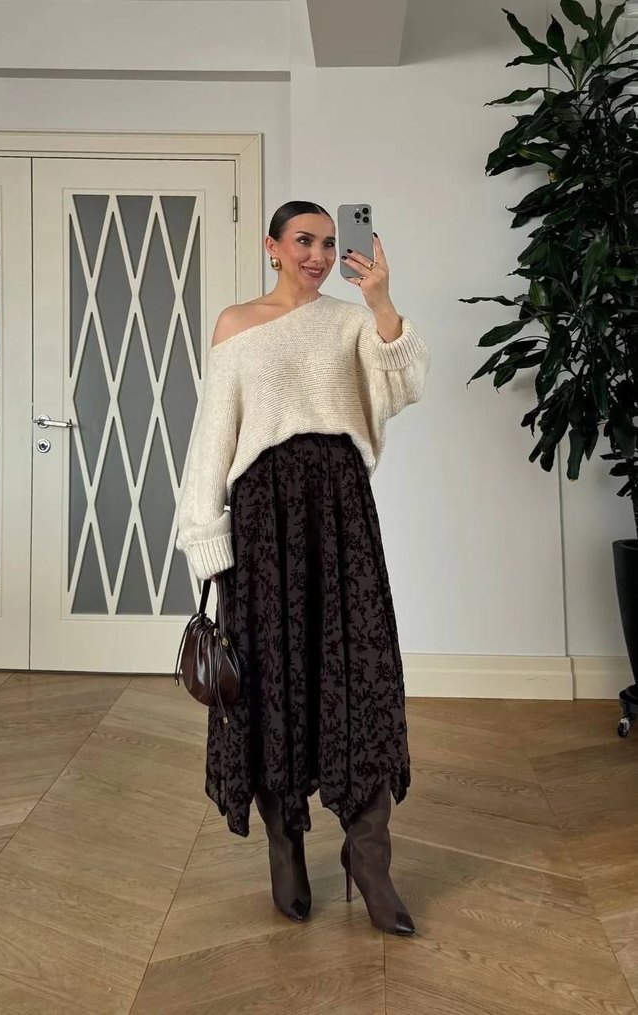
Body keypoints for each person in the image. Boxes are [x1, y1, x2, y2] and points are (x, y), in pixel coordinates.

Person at [176, 200, 430, 935]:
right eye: (303, 241)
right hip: (264, 519)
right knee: (271, 679)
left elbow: (404, 384)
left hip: (343, 513)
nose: (317, 255)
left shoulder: (351, 322)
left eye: (327, 242)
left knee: (361, 673)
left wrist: (379, 299)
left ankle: (369, 859)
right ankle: (284, 845)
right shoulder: (236, 324)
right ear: (273, 246)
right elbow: (213, 434)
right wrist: (207, 536)